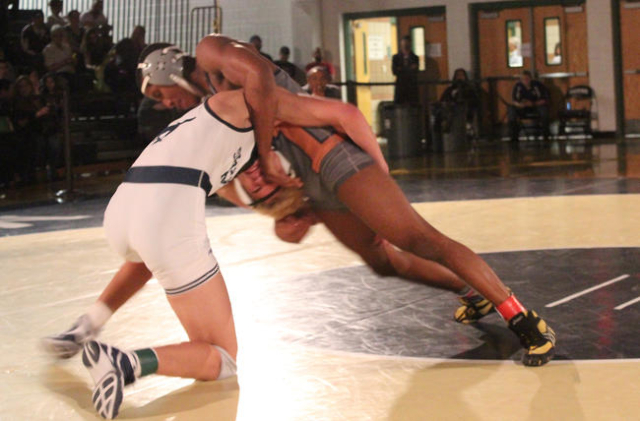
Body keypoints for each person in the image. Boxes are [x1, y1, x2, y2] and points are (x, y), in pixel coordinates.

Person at [43, 91, 555, 417]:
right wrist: (286, 204)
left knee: (402, 244)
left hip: (137, 205)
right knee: (378, 265)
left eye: (261, 181)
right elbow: (283, 218)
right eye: (259, 185)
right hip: (245, 198)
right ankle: (126, 361)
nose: (257, 179)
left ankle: (520, 316)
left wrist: (377, 175)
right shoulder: (243, 146)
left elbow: (342, 115)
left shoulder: (241, 117)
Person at [431, 68, 478, 136]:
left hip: (462, 110)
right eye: (458, 75)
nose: (460, 78)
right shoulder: (450, 89)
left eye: (461, 75)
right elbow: (443, 99)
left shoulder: (469, 90)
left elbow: (473, 102)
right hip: (449, 109)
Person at [508, 70, 550, 143]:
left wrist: (533, 103)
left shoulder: (537, 85)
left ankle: (546, 135)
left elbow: (544, 99)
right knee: (511, 110)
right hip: (522, 107)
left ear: (530, 78)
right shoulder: (518, 86)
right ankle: (514, 136)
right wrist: (521, 105)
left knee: (544, 111)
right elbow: (514, 101)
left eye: (527, 78)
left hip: (536, 106)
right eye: (523, 79)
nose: (525, 81)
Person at [42, 25, 76, 90]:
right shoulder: (48, 50)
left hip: (71, 73)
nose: (59, 38)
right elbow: (49, 68)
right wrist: (64, 63)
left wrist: (73, 61)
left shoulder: (67, 47)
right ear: (52, 37)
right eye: (56, 36)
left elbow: (73, 62)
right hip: (58, 74)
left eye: (61, 35)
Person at [391, 36, 419, 104]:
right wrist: (409, 69)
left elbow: (415, 71)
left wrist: (401, 69)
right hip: (400, 86)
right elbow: (394, 71)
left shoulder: (415, 57)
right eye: (403, 44)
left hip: (412, 86)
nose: (405, 46)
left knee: (412, 105)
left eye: (407, 44)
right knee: (399, 105)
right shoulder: (396, 58)